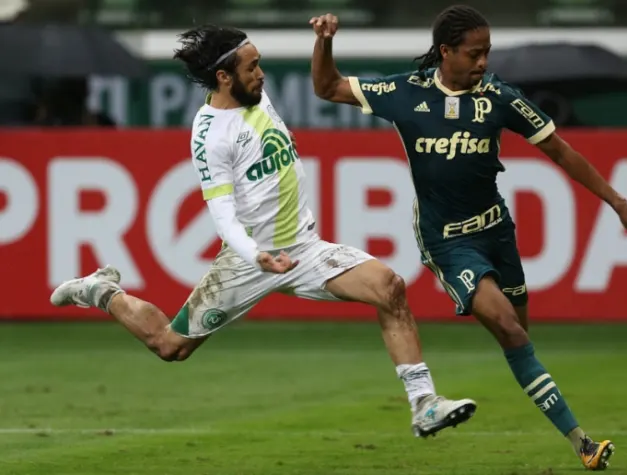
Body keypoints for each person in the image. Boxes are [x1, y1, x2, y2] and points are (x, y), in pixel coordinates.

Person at [49, 24, 476, 439]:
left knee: (390, 287)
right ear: (223, 77)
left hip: (304, 249)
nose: (261, 74)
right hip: (249, 260)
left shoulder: (253, 95)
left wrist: (322, 42)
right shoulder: (211, 136)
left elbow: (325, 81)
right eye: (251, 68)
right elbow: (223, 216)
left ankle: (424, 404)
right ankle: (101, 291)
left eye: (259, 64)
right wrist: (257, 255)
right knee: (170, 346)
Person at [310, 5, 627, 470]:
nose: (482, 63)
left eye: (487, 53)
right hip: (448, 241)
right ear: (445, 52)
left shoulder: (499, 97)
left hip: (498, 231)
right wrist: (326, 41)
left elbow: (560, 149)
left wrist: (619, 203)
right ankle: (583, 444)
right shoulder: (404, 92)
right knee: (510, 328)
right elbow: (326, 86)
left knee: (519, 339)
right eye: (474, 54)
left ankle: (551, 407)